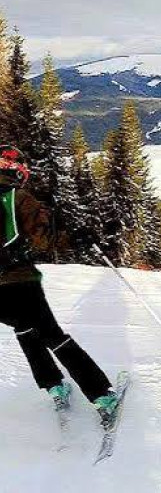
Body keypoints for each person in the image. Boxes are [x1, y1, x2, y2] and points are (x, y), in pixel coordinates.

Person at [0, 145, 117, 425]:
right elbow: (44, 241)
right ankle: (101, 394)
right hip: (19, 281)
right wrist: (75, 236)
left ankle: (53, 385)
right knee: (52, 335)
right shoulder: (19, 198)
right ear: (18, 170)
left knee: (25, 330)